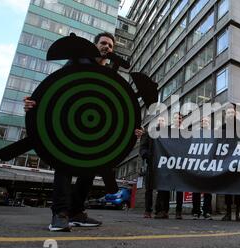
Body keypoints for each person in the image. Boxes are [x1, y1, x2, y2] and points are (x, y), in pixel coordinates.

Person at [24, 32, 141, 231]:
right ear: (95, 46)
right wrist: (34, 104)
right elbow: (57, 87)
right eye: (103, 43)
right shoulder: (78, 63)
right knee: (65, 167)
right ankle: (59, 214)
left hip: (94, 133)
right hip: (68, 128)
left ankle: (76, 212)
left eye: (111, 46)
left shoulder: (110, 77)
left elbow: (115, 110)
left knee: (91, 167)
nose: (107, 47)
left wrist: (132, 129)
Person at [139, 116, 167, 218]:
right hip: (151, 164)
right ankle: (147, 210)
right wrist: (147, 156)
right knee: (149, 188)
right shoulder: (149, 133)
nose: (161, 122)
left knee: (162, 188)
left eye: (163, 120)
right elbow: (143, 148)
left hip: (164, 164)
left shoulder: (168, 134)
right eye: (159, 120)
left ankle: (159, 210)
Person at [221, 104, 240, 222]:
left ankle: (238, 213)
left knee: (238, 187)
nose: (230, 114)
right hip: (226, 160)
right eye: (228, 112)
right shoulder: (223, 127)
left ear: (235, 113)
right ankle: (228, 213)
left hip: (238, 159)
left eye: (232, 112)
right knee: (227, 187)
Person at [191, 116, 213, 220]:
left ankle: (207, 211)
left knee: (208, 190)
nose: (204, 122)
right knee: (196, 190)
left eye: (206, 121)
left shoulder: (213, 134)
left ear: (209, 123)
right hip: (197, 164)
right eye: (203, 121)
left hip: (209, 165)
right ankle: (196, 212)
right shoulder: (195, 134)